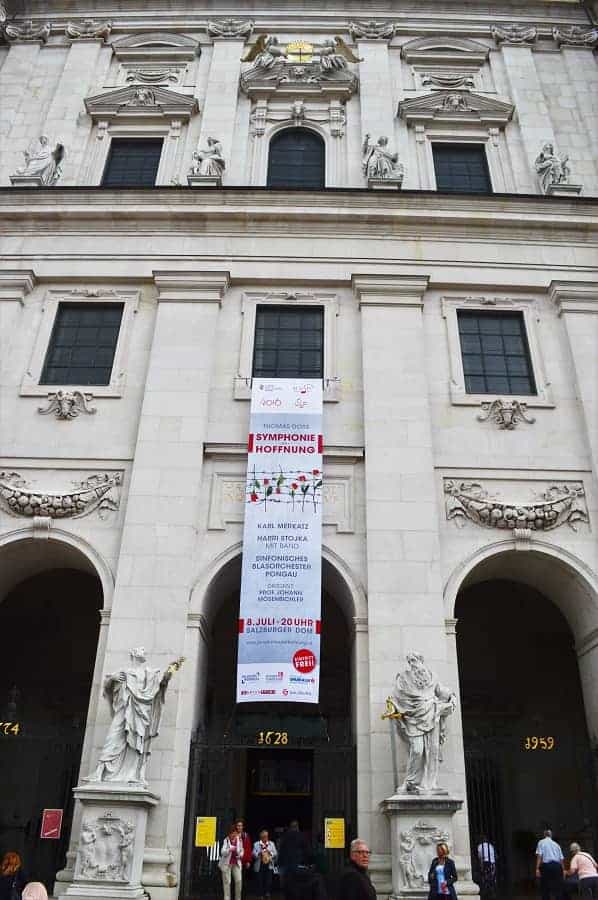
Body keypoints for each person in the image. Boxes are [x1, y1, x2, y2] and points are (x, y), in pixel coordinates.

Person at [278, 821, 311, 900]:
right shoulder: (302, 836)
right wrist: (308, 863)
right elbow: (307, 851)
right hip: (298, 866)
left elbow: (281, 851)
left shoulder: (285, 837)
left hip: (287, 867)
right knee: (299, 887)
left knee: (288, 888)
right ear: (297, 827)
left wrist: (279, 864)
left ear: (290, 827)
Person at [535, 829, 565, 900]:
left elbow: (539, 856)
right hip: (557, 867)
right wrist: (563, 871)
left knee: (545, 887)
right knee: (558, 888)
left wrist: (537, 869)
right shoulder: (556, 844)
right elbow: (561, 859)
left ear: (544, 835)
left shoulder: (541, 842)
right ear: (551, 835)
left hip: (547, 866)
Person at [219, 824, 244, 900]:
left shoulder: (239, 840)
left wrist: (240, 855)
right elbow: (222, 852)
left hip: (236, 863)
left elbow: (242, 850)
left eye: (235, 833)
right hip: (227, 864)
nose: (234, 835)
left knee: (239, 881)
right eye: (232, 833)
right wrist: (229, 850)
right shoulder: (226, 840)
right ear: (229, 833)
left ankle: (238, 898)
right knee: (227, 883)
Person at [252, 828, 278, 899]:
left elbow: (275, 853)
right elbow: (253, 854)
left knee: (268, 881)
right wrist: (259, 853)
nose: (265, 838)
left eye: (266, 836)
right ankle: (260, 894)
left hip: (269, 864)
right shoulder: (256, 844)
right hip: (260, 865)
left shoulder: (271, 843)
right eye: (264, 836)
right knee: (260, 881)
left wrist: (270, 853)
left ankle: (267, 893)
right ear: (261, 837)